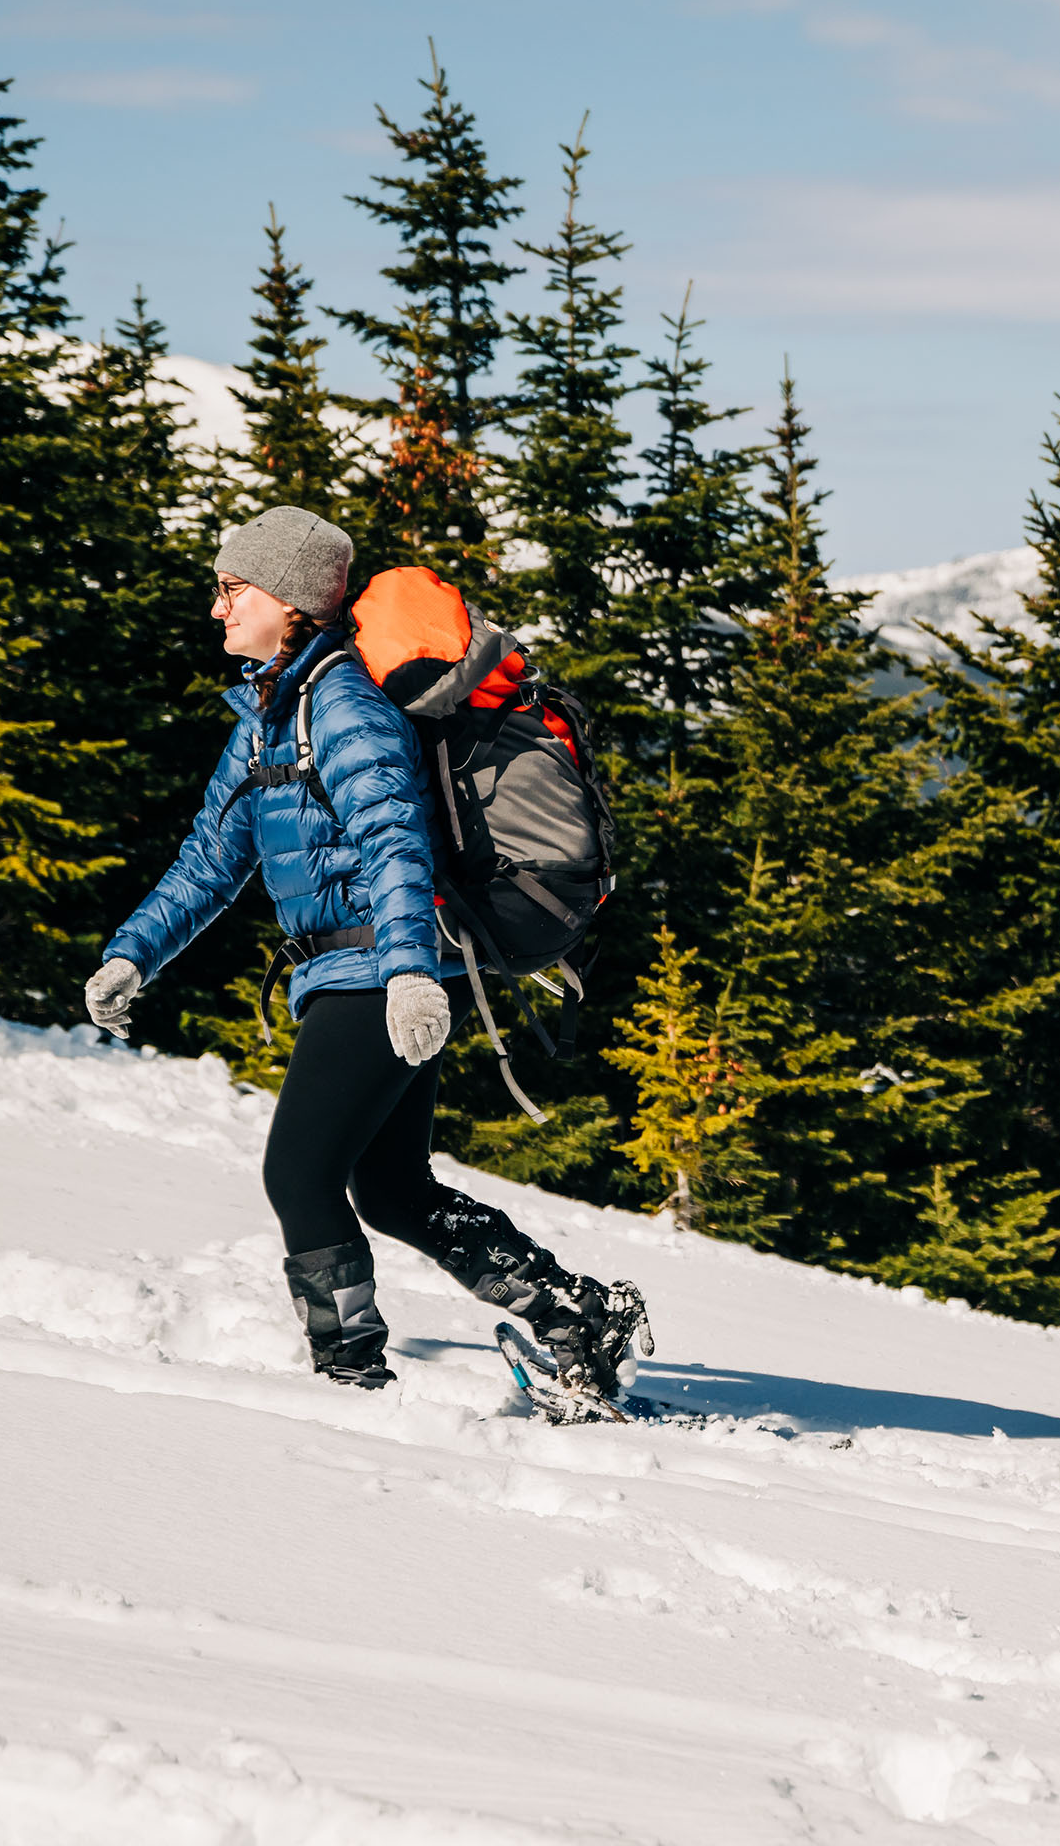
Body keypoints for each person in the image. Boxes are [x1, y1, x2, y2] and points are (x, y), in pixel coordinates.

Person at [80, 506, 644, 1399]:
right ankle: (575, 1314)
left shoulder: (343, 705)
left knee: (298, 1174)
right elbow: (208, 860)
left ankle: (350, 1376)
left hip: (384, 969)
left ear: (292, 601)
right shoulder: (270, 712)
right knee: (390, 1187)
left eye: (235, 591)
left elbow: (395, 842)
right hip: (364, 971)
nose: (219, 610)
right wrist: (132, 956)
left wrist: (411, 972)